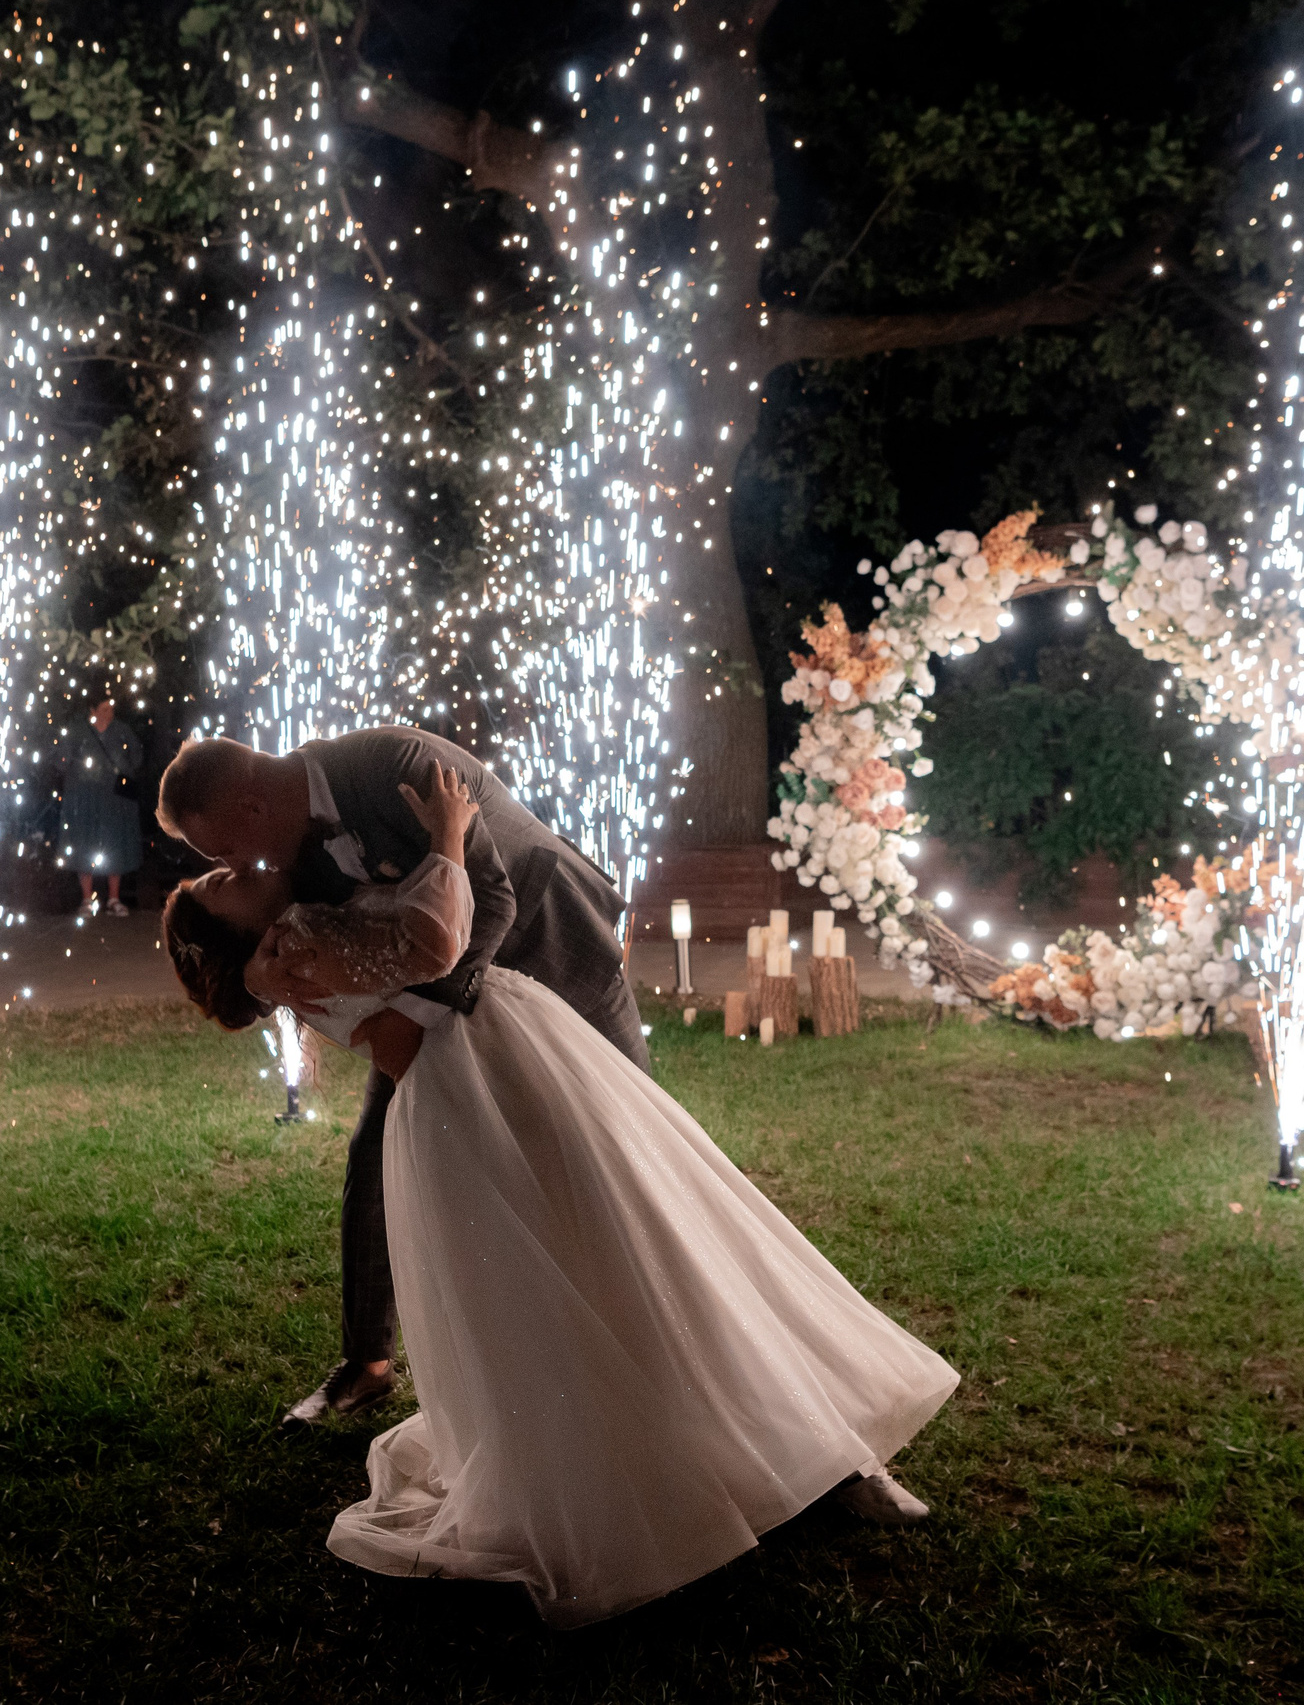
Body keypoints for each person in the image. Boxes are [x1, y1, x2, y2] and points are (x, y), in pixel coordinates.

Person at [162, 760, 958, 1628]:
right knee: (618, 1242)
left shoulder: (327, 852)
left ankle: (799, 1446)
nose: (230, 867)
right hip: (485, 1079)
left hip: (509, 1049)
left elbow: (452, 931)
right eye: (216, 878)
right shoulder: (286, 947)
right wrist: (449, 837)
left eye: (217, 856)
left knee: (646, 1225)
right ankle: (690, 1450)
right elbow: (434, 943)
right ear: (232, 937)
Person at [156, 726, 649, 1426]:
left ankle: (677, 1318)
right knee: (375, 1158)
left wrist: (417, 1020)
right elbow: (281, 950)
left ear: (252, 807)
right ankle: (367, 1361)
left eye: (219, 853)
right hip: (447, 1010)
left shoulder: (399, 767)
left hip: (548, 930)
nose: (229, 863)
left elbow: (493, 903)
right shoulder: (294, 865)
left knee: (644, 1135)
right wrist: (267, 979)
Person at [59, 697, 143, 917]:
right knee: (84, 844)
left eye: (111, 709)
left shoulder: (122, 730)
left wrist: (123, 771)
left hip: (115, 800)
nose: (109, 713)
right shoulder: (78, 731)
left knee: (115, 844)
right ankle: (87, 899)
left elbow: (136, 756)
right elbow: (61, 759)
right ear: (92, 709)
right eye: (104, 709)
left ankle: (113, 899)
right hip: (84, 798)